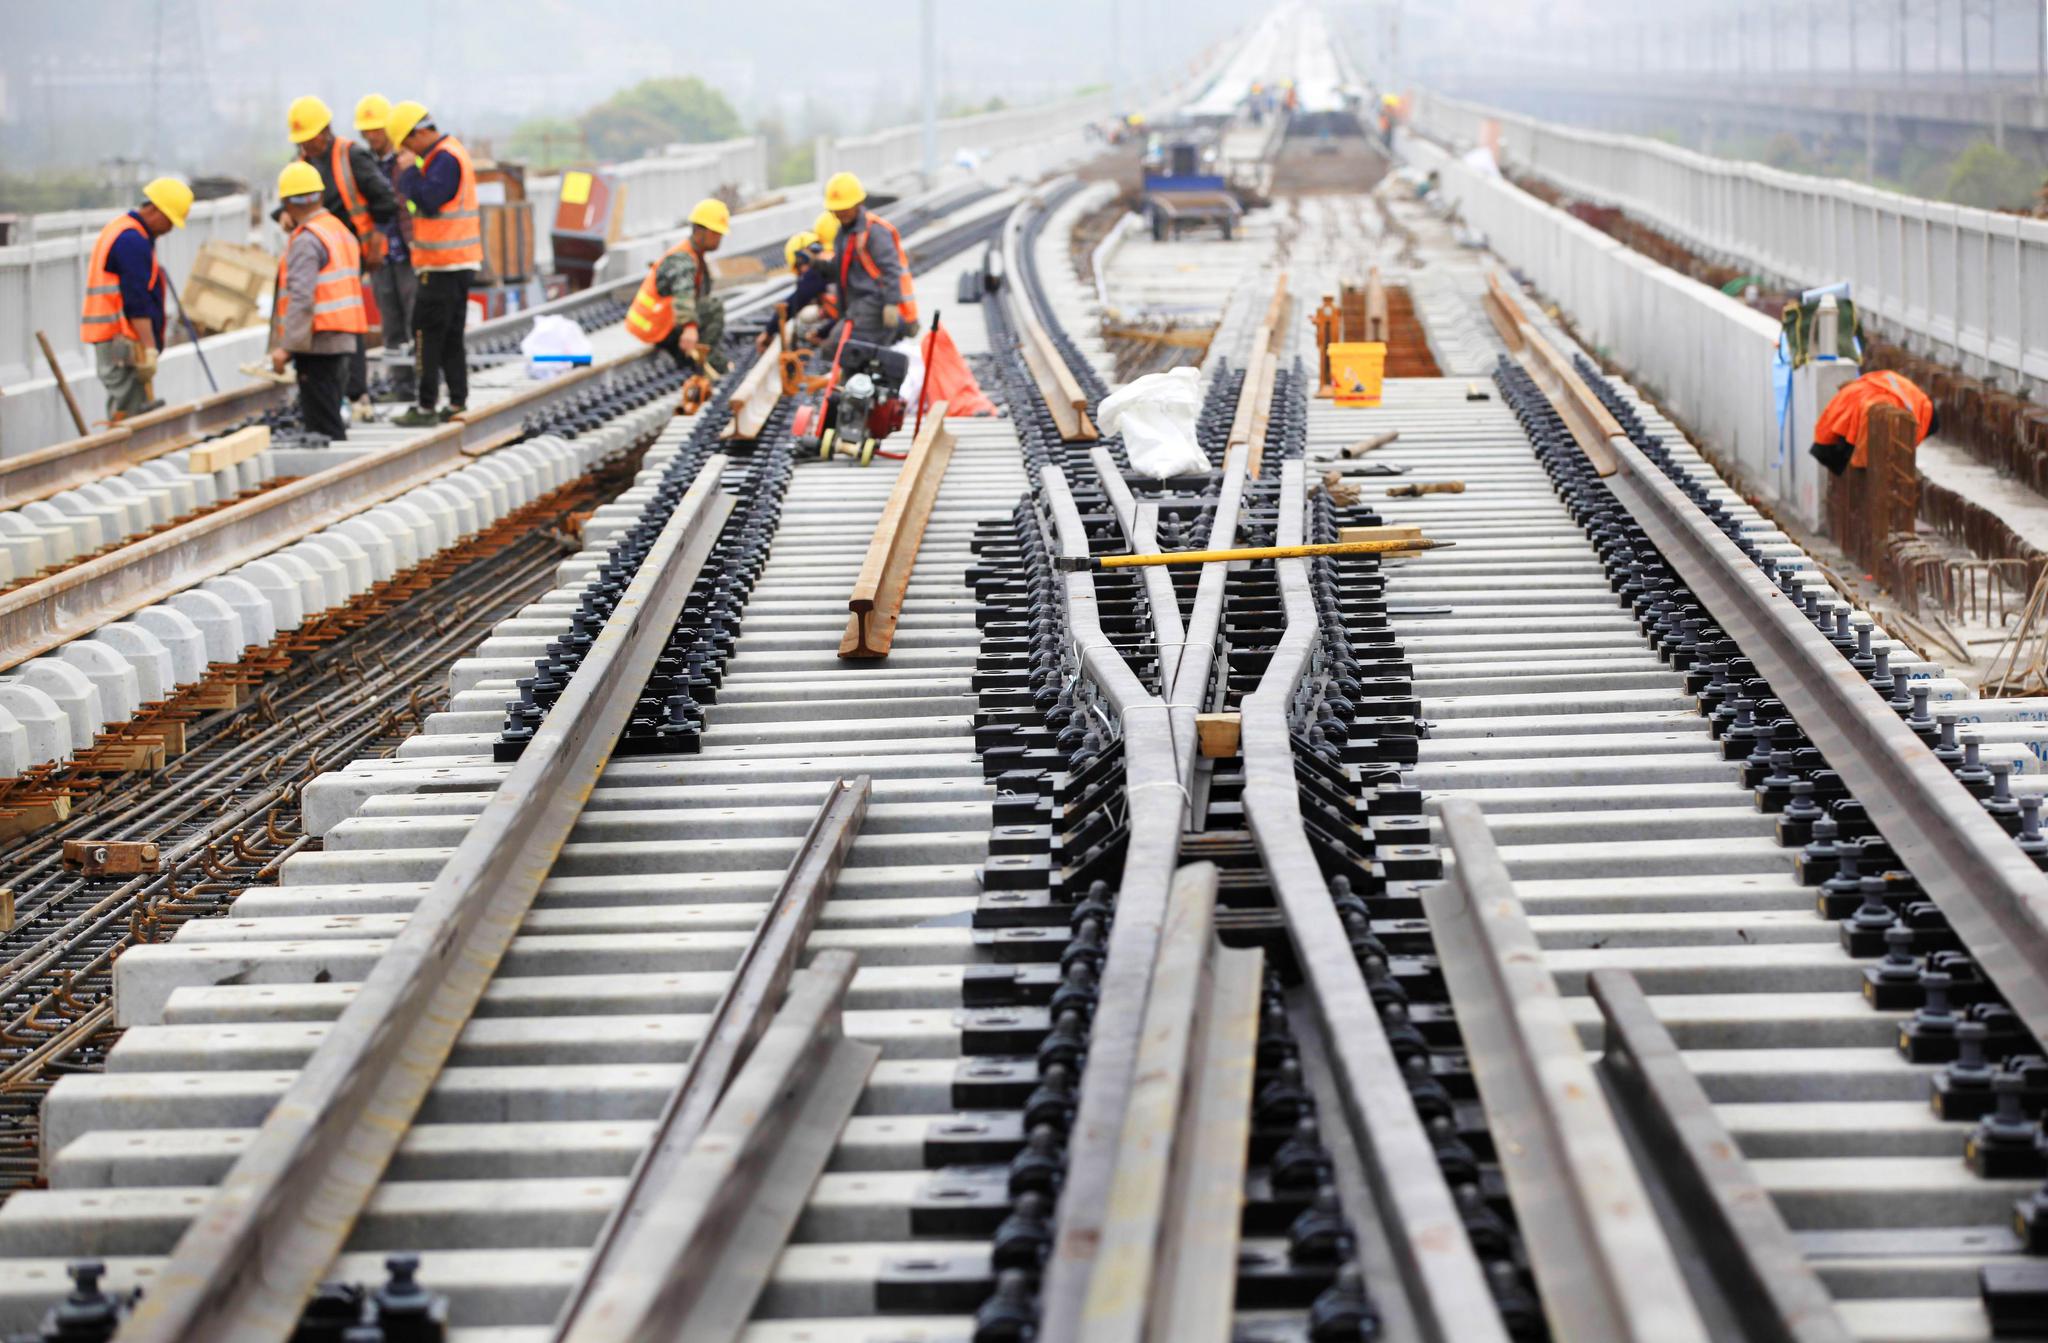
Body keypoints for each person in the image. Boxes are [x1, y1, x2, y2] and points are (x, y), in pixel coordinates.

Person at [286, 94, 398, 414]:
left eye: (310, 140)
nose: (306, 147)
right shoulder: (301, 164)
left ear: (325, 132)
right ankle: (327, 390)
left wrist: (376, 241)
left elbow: (385, 200)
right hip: (318, 247)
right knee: (322, 321)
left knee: (345, 321)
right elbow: (288, 200)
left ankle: (355, 391)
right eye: (301, 142)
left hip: (349, 249)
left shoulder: (352, 157)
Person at [386, 100, 483, 426]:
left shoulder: (443, 159)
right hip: (456, 262)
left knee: (426, 334)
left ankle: (426, 406)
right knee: (451, 336)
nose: (408, 150)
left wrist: (409, 172)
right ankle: (456, 400)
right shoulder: (450, 153)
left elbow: (428, 200)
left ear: (419, 133)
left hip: (442, 265)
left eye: (408, 143)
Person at [268, 161, 367, 442]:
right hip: (342, 339)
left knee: (322, 428)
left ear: (287, 202)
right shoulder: (338, 231)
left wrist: (287, 347)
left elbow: (302, 298)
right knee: (331, 418)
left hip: (317, 344)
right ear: (319, 196)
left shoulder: (307, 240)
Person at [79, 176, 190, 421]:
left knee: (132, 404)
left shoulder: (125, 231)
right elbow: (136, 301)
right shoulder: (132, 241)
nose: (170, 228)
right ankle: (124, 455)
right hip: (121, 339)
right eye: (169, 220)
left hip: (119, 338)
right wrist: (149, 348)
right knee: (129, 408)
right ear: (154, 210)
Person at [626, 198, 731, 375]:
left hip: (659, 323)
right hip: (655, 325)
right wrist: (690, 327)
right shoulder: (683, 259)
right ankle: (708, 362)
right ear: (699, 230)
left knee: (707, 307)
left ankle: (695, 358)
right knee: (713, 308)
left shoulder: (695, 255)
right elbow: (684, 294)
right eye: (715, 233)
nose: (719, 238)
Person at [354, 93, 416, 361]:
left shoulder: (407, 160)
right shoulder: (361, 165)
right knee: (390, 323)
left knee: (416, 318)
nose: (372, 136)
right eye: (367, 131)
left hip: (408, 252)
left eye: (377, 129)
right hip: (378, 256)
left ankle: (425, 383)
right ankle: (401, 384)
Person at [823, 172, 918, 346]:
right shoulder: (843, 234)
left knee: (838, 346)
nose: (841, 213)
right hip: (856, 307)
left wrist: (891, 304)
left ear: (858, 203)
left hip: (875, 306)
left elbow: (891, 269)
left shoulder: (874, 232)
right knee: (840, 349)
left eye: (845, 207)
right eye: (837, 209)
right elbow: (839, 268)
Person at [1810, 369, 1937, 476]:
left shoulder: (1861, 391)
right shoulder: (1876, 397)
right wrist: (1862, 464)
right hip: (1839, 434)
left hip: (1832, 436)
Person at [755, 227, 831, 352]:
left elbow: (795, 301)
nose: (802, 275)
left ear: (802, 258)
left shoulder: (819, 269)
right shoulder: (832, 261)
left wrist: (768, 332)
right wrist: (822, 333)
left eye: (799, 268)